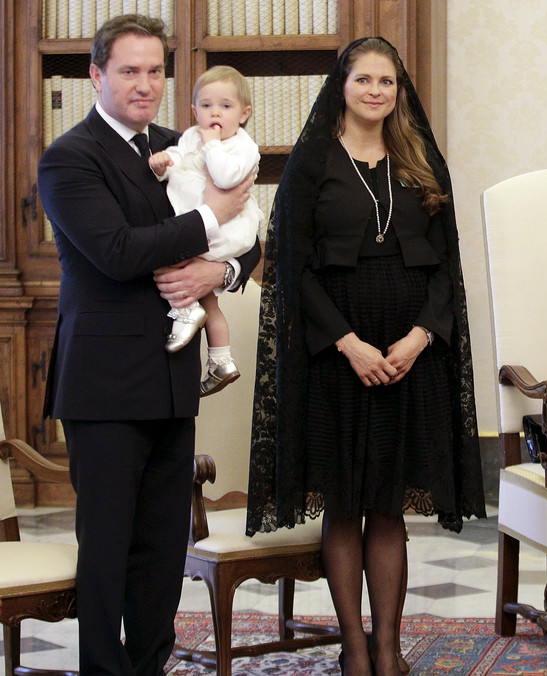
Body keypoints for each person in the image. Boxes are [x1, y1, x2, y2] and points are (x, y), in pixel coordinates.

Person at [244, 37, 486, 676]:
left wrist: (418, 338)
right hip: (336, 356)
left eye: (388, 82)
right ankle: (354, 646)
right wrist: (349, 344)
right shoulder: (312, 162)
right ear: (342, 86)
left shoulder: (421, 163)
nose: (377, 91)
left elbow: (447, 269)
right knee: (345, 504)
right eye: (365, 80)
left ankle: (387, 644)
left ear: (398, 92)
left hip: (411, 354)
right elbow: (291, 269)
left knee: (387, 505)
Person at [36, 13, 259, 675]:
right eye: (129, 70)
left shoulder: (186, 140)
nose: (145, 84)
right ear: (96, 75)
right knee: (107, 548)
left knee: (164, 548)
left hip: (170, 379)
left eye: (156, 70)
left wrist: (218, 268)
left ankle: (152, 667)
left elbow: (254, 242)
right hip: (103, 384)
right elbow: (115, 252)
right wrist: (207, 219)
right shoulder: (69, 157)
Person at [149, 65, 263, 396]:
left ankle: (184, 311)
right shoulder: (190, 136)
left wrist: (212, 144)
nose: (215, 113)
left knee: (169, 259)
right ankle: (221, 361)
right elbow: (178, 156)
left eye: (225, 106)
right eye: (206, 105)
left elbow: (226, 178)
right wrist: (161, 165)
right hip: (201, 228)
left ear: (244, 114)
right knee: (211, 304)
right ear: (194, 110)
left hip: (224, 231)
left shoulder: (240, 146)